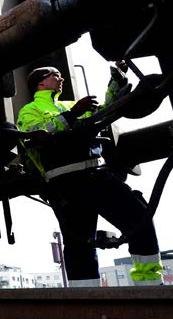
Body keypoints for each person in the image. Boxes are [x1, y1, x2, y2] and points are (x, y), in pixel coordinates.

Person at [16, 64, 163, 287]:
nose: (61, 78)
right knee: (80, 245)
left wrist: (116, 82)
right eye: (55, 75)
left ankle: (150, 283)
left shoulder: (69, 105)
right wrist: (73, 114)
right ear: (40, 83)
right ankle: (87, 296)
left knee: (139, 218)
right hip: (65, 183)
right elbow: (34, 133)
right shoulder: (30, 110)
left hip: (95, 175)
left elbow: (104, 111)